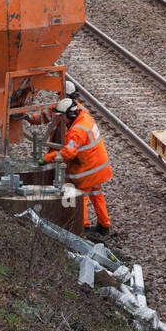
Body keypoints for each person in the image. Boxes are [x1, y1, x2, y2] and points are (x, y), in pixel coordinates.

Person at [41, 94, 113, 235]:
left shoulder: (76, 132)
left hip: (88, 169)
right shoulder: (84, 116)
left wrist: (48, 158)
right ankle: (104, 225)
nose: (61, 119)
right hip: (98, 165)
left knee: (81, 197)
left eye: (62, 116)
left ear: (70, 114)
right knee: (96, 193)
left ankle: (82, 228)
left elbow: (68, 153)